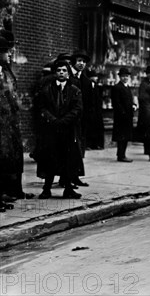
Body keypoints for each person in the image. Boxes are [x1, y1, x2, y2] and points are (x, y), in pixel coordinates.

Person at [36, 59, 84, 199]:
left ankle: (68, 188)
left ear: (68, 73)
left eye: (64, 70)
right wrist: (53, 120)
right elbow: (42, 108)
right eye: (58, 70)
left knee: (68, 160)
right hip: (51, 131)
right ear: (55, 73)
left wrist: (64, 121)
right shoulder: (47, 90)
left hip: (68, 130)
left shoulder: (75, 90)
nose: (61, 73)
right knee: (50, 159)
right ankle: (46, 189)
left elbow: (77, 109)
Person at [0, 31, 34, 205]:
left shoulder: (6, 71)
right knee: (4, 157)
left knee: (13, 157)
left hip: (10, 122)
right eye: (7, 51)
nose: (10, 54)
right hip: (2, 122)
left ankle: (13, 190)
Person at [69, 49, 92, 187]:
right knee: (70, 149)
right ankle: (66, 178)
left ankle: (75, 176)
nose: (81, 64)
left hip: (81, 120)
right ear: (73, 62)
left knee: (79, 149)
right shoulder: (69, 77)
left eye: (83, 62)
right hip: (70, 119)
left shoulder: (86, 80)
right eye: (79, 61)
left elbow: (89, 102)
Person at [111, 67, 137, 162]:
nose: (125, 78)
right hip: (121, 117)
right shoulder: (117, 88)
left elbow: (129, 101)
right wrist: (123, 113)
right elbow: (116, 103)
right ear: (120, 77)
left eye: (126, 76)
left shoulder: (127, 87)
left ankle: (122, 154)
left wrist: (133, 105)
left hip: (128, 116)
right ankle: (121, 155)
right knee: (121, 137)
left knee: (125, 136)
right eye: (123, 76)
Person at [86, 70, 105, 149]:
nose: (96, 78)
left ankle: (96, 144)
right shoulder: (87, 86)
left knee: (96, 128)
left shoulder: (97, 86)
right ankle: (88, 144)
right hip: (90, 110)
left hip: (96, 111)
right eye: (94, 76)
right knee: (90, 128)